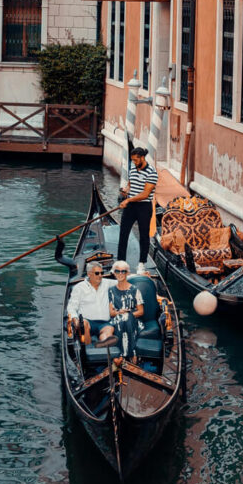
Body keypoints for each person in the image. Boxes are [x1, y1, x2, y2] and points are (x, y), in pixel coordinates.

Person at [118, 146, 158, 275]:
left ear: (142, 158)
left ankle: (142, 264)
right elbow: (131, 184)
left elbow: (145, 194)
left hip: (144, 207)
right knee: (123, 233)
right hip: (130, 207)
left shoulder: (152, 172)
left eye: (136, 160)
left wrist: (128, 200)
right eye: (133, 161)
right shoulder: (133, 168)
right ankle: (120, 262)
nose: (134, 163)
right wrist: (125, 191)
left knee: (144, 236)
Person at [65, 261, 117, 346]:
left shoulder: (107, 283)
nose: (100, 275)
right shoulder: (79, 288)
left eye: (102, 273)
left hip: (104, 323)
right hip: (87, 322)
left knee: (108, 331)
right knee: (84, 324)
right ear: (89, 274)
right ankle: (88, 349)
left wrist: (140, 275)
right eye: (97, 273)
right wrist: (75, 319)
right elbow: (71, 307)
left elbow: (123, 280)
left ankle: (103, 345)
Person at [100, 261, 144, 357]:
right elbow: (111, 313)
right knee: (123, 320)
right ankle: (130, 354)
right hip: (116, 319)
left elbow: (141, 311)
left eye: (123, 271)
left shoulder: (135, 290)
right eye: (117, 271)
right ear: (114, 273)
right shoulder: (111, 290)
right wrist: (119, 313)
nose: (120, 274)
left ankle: (122, 356)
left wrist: (128, 315)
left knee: (127, 319)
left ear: (127, 273)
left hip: (134, 320)